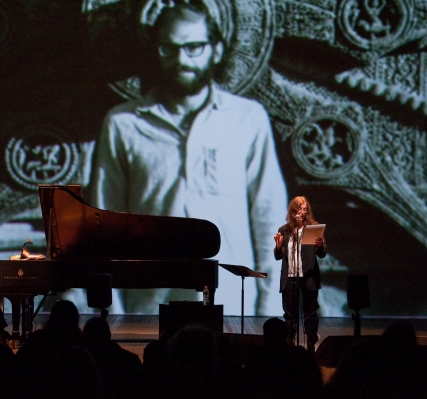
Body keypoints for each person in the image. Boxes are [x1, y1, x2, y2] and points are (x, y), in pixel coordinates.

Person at [90, 0, 287, 315]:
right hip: (150, 305)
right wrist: (110, 315)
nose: (182, 59)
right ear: (155, 51)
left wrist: (271, 311)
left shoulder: (247, 119)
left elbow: (269, 220)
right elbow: (104, 227)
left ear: (216, 50)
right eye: (170, 48)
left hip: (233, 303)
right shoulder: (123, 124)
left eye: (194, 47)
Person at [273, 196, 326, 352]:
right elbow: (278, 256)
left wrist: (320, 245)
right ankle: (290, 343)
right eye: (299, 209)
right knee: (290, 314)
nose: (302, 212)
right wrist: (278, 247)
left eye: (304, 209)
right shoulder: (284, 230)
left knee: (310, 313)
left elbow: (322, 253)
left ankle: (310, 343)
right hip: (290, 277)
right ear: (293, 210)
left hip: (308, 277)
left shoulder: (313, 228)